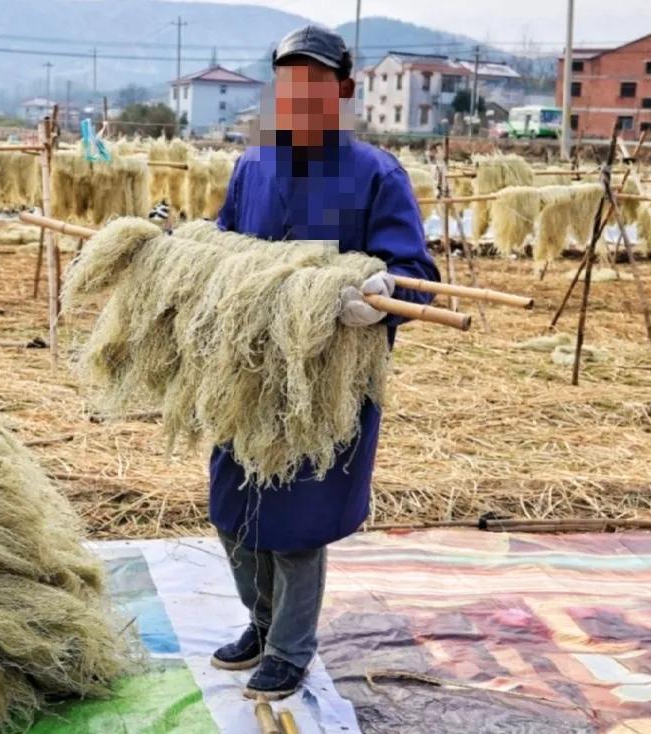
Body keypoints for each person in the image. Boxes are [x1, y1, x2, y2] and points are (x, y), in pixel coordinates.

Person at [210, 24, 440, 700]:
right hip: (247, 372)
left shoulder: (374, 173)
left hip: (327, 379)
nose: (300, 98)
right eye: (289, 85)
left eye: (314, 84)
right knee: (233, 506)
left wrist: (379, 295)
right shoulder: (252, 167)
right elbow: (222, 247)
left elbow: (413, 271)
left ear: (341, 91)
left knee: (297, 520)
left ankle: (288, 649)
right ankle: (258, 621)